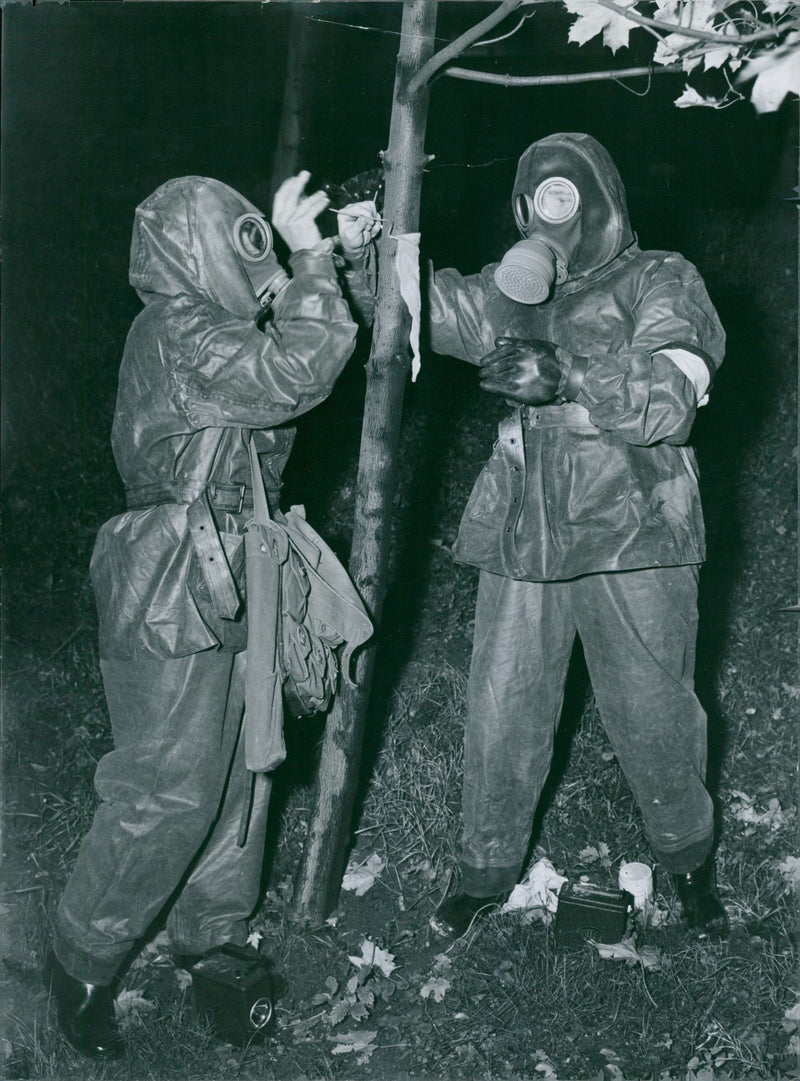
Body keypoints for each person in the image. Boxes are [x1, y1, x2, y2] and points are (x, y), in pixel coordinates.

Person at [44, 171, 380, 1058]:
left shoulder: (210, 329)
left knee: (244, 767)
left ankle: (210, 933)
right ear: (191, 250)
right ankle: (80, 954)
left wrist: (339, 259)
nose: (253, 248)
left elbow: (312, 344)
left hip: (236, 562)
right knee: (166, 784)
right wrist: (307, 260)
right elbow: (297, 368)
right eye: (239, 238)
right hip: (171, 574)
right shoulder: (174, 330)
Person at [425, 133, 729, 942]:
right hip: (529, 516)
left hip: (635, 517)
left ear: (599, 201)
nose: (548, 214)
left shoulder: (661, 276)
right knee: (504, 698)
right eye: (535, 200)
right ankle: (485, 869)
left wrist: (568, 374)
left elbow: (673, 393)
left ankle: (690, 862)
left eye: (565, 196)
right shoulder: (513, 290)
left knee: (653, 706)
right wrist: (371, 245)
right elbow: (427, 308)